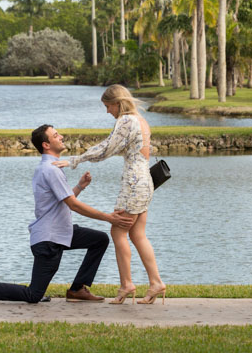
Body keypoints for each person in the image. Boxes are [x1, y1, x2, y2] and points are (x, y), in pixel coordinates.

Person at [0, 124, 134, 304]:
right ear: (46, 145)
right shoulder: (50, 170)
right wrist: (109, 218)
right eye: (56, 135)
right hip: (49, 239)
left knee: (99, 239)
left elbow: (62, 200)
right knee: (33, 295)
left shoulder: (50, 168)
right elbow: (73, 205)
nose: (62, 137)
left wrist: (79, 187)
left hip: (61, 232)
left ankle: (77, 289)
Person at [52, 84, 166, 305]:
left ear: (117, 103)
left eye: (108, 106)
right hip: (145, 182)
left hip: (133, 184)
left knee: (118, 232)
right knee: (137, 234)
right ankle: (155, 283)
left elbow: (106, 149)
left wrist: (75, 160)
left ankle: (127, 285)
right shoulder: (141, 120)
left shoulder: (126, 121)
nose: (107, 112)